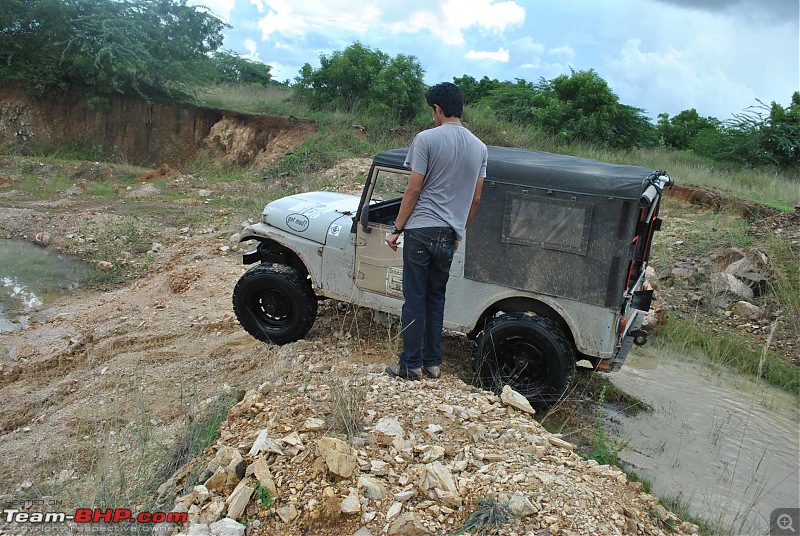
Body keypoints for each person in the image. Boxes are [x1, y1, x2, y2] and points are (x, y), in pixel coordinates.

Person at [384, 82, 487, 380]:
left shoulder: (426, 139)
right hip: (449, 234)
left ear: (438, 109)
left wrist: (396, 228)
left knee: (414, 297)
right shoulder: (480, 147)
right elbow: (476, 198)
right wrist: (458, 232)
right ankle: (433, 363)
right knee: (435, 297)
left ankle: (410, 365)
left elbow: (413, 189)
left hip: (420, 230)